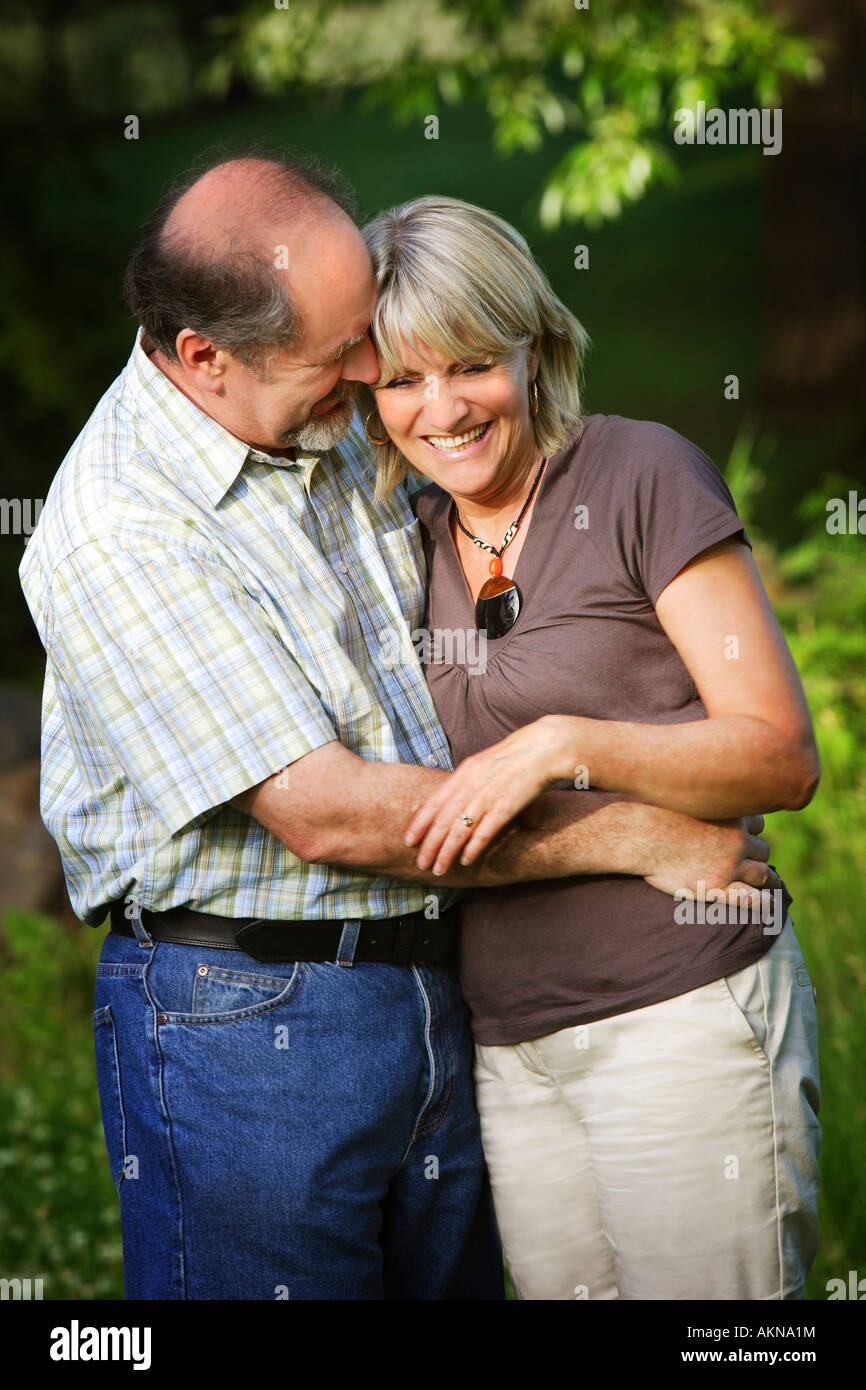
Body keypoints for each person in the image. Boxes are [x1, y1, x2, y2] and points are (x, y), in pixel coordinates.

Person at [20, 154, 777, 1302]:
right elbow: (320, 811)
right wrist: (628, 834)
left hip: (440, 997)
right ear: (202, 360)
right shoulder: (121, 529)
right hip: (249, 1020)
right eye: (347, 360)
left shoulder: (329, 426)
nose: (378, 376)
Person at [358, 193, 822, 1301]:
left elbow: (777, 756)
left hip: (680, 1015)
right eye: (399, 380)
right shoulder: (400, 544)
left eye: (469, 363)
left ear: (535, 348)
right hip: (507, 1052)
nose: (440, 408)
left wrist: (563, 742)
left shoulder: (638, 477)